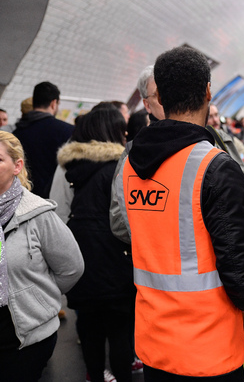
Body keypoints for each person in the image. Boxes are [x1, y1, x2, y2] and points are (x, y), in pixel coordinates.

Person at [112, 46, 244, 380]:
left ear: (160, 97)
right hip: (207, 348)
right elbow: (237, 259)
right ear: (209, 92)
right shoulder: (215, 167)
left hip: (154, 343)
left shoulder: (130, 165)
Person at [55, 109, 135, 382]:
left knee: (89, 330)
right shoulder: (121, 167)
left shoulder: (70, 168)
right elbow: (126, 217)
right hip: (116, 261)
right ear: (111, 133)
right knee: (120, 333)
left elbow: (59, 213)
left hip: (82, 261)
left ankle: (96, 377)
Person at [0, 131, 84, 382]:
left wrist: (37, 295)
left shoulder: (38, 214)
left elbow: (71, 268)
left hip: (26, 337)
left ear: (17, 166)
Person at [13, 81, 74, 198]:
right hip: (53, 199)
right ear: (53, 103)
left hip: (22, 196)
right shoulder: (67, 131)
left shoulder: (17, 131)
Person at [207, 104, 244, 185]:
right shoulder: (206, 145)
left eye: (216, 115)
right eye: (210, 117)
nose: (215, 120)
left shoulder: (229, 138)